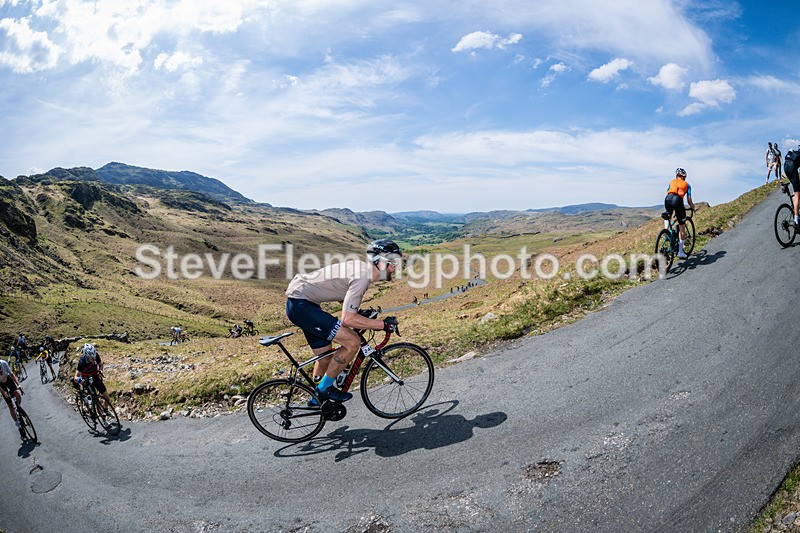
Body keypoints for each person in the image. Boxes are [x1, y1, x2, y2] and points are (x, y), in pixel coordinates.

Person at [285, 239, 401, 403]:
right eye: (392, 263)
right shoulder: (363, 277)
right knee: (353, 341)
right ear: (380, 262)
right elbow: (348, 319)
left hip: (300, 304)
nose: (394, 268)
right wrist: (383, 325)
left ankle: (316, 401)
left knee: (325, 358)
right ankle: (324, 389)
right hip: (302, 306)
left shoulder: (361, 269)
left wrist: (359, 313)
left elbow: (341, 294)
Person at [665, 167, 696, 259]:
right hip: (677, 200)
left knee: (669, 215)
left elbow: (668, 192)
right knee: (682, 226)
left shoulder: (672, 182)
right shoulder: (687, 185)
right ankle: (680, 252)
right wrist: (692, 207)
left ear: (676, 176)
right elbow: (689, 200)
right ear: (684, 176)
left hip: (667, 199)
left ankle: (666, 232)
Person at [71, 343, 113, 408]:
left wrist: (100, 371)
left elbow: (101, 364)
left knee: (107, 398)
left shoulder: (96, 355)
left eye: (94, 357)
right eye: (91, 358)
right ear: (87, 356)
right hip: (86, 379)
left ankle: (105, 410)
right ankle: (88, 405)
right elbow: (76, 377)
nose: (94, 359)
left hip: (95, 376)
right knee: (94, 400)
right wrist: (80, 380)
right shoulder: (82, 362)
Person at [0, 358, 27, 440]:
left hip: (8, 379)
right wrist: (4, 392)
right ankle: (18, 425)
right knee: (10, 406)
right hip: (1, 385)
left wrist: (19, 384)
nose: (0, 373)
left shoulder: (3, 363)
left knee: (17, 394)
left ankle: (19, 409)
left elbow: (12, 375)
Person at [784, 148, 800, 227]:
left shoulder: (795, 153)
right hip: (792, 167)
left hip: (785, 166)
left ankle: (795, 208)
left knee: (795, 189)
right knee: (797, 193)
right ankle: (796, 219)